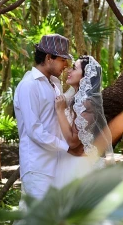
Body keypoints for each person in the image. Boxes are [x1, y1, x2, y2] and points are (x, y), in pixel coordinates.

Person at [14, 34, 84, 204]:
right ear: (48, 58)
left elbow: (61, 109)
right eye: (62, 59)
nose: (66, 65)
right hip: (37, 166)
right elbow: (34, 130)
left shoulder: (54, 83)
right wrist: (67, 148)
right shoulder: (29, 85)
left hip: (57, 165)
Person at [54, 55, 114, 188]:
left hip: (81, 168)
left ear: (85, 77)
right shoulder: (73, 99)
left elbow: (73, 142)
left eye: (74, 68)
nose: (69, 71)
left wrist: (59, 111)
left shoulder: (87, 103)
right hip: (71, 163)